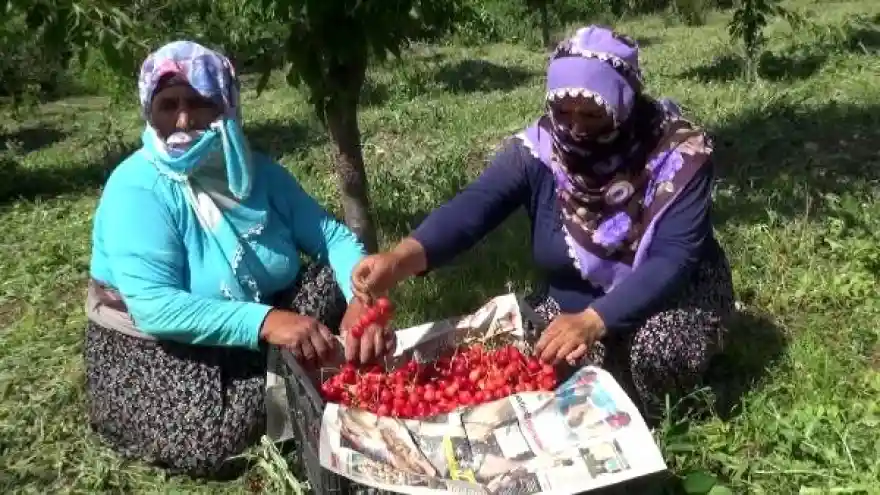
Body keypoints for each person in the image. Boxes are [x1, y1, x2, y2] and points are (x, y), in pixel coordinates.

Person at [351, 26, 735, 420]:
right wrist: (398, 260)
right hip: (574, 304)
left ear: (625, 103)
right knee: (508, 362)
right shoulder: (542, 150)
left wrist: (593, 320)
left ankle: (672, 413)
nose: (575, 128)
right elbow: (473, 208)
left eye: (592, 114)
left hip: (673, 298)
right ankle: (608, 370)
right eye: (564, 112)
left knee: (658, 352)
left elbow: (673, 258)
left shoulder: (677, 155)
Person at [84, 41, 393, 477]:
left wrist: (364, 298)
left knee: (336, 278)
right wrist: (266, 322)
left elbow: (332, 237)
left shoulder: (256, 173)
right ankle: (284, 377)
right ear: (149, 113)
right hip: (159, 347)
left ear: (226, 106)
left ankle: (283, 375)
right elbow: (154, 306)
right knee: (217, 445)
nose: (185, 119)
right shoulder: (137, 187)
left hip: (255, 315)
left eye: (200, 102)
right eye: (168, 105)